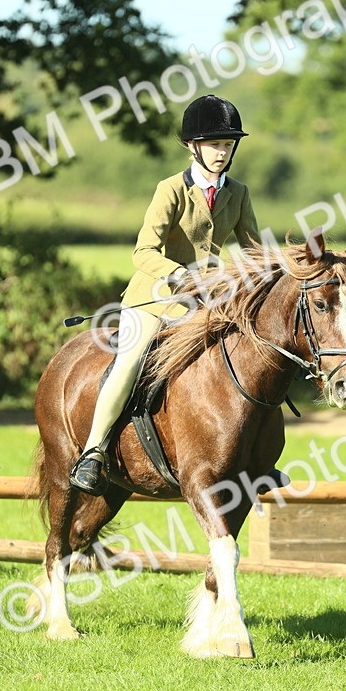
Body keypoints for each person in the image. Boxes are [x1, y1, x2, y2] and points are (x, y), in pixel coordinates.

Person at [69, 94, 262, 496]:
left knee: (250, 357)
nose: (222, 153)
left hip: (205, 305)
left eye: (227, 145)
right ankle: (93, 451)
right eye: (214, 144)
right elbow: (143, 252)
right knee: (130, 362)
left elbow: (253, 252)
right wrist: (178, 275)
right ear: (193, 146)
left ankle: (258, 458)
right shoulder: (171, 189)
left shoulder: (239, 194)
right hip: (155, 299)